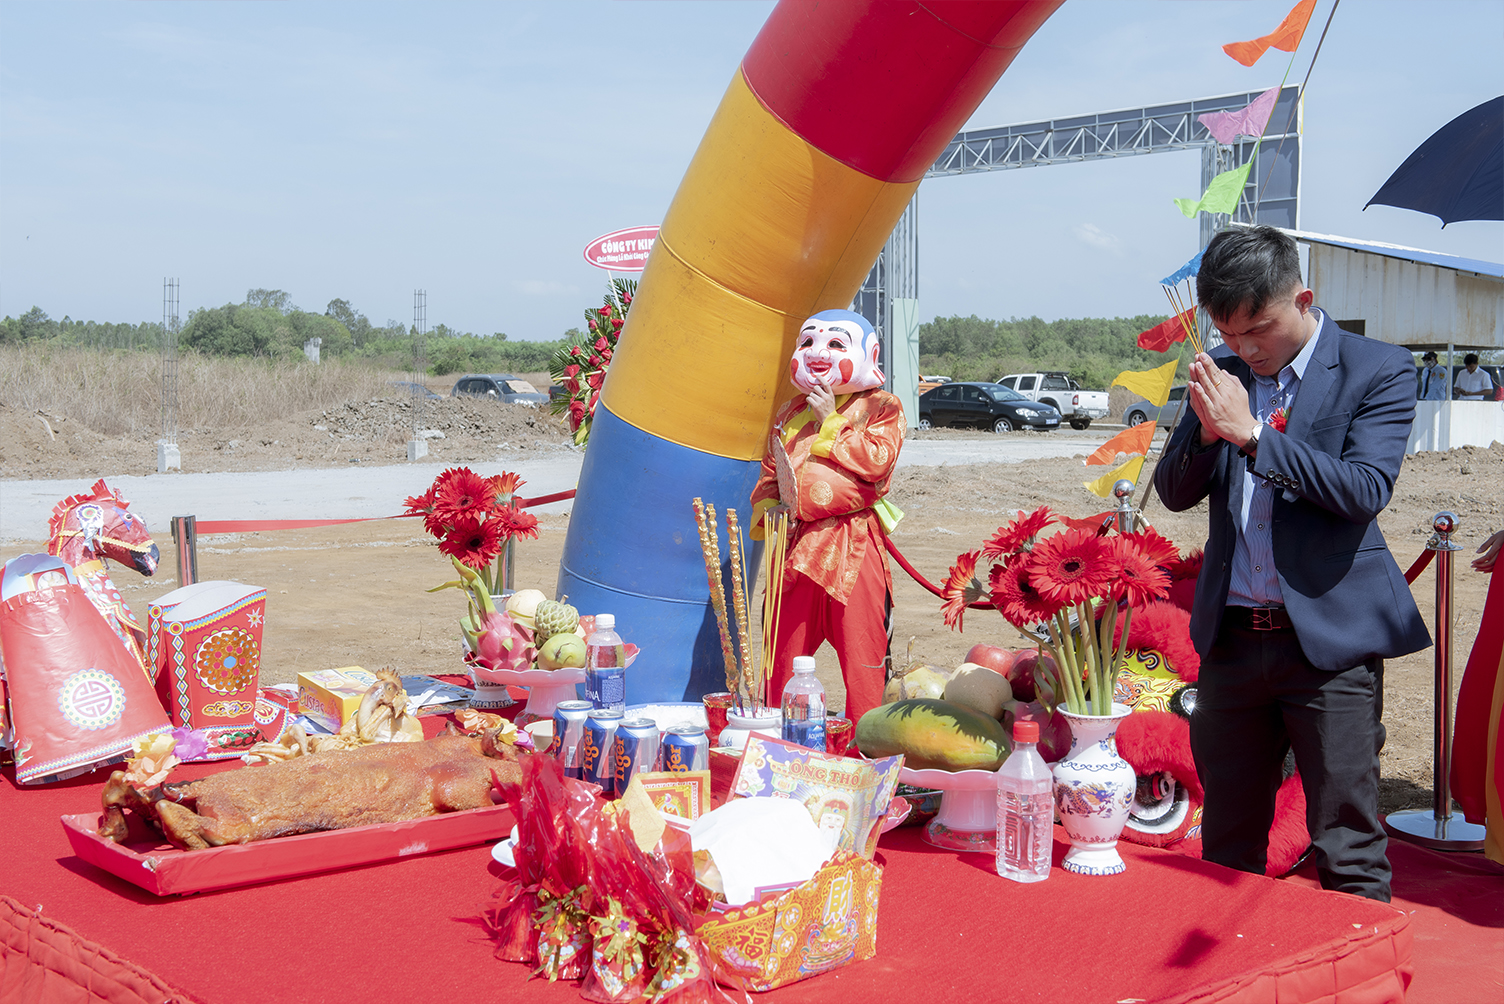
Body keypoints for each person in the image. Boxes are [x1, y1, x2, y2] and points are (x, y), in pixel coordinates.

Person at [1154, 225, 1430, 903]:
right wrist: (1204, 429)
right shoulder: (1227, 373)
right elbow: (1176, 491)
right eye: (1229, 332)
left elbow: (1364, 491)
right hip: (1235, 643)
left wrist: (1250, 434)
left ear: (1303, 299)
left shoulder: (1378, 368)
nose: (1246, 349)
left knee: (1346, 838)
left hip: (1329, 648)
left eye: (1260, 330)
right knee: (1227, 833)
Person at [751, 309, 905, 726]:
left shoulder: (882, 406)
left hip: (852, 547)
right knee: (781, 657)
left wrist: (829, 420)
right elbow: (771, 474)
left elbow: (876, 464)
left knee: (864, 660)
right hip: (795, 547)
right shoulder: (788, 412)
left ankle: (868, 753)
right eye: (809, 343)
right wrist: (771, 513)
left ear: (867, 353)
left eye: (836, 344)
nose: (819, 353)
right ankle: (778, 742)